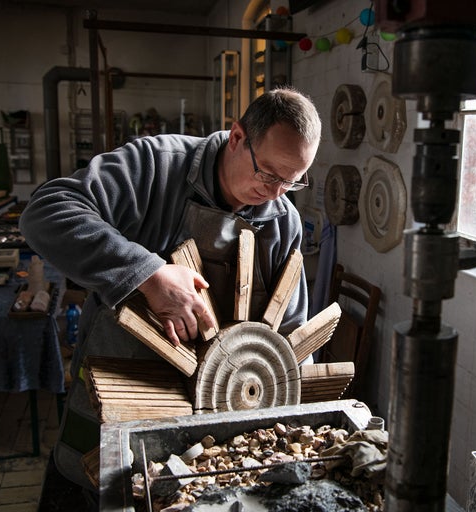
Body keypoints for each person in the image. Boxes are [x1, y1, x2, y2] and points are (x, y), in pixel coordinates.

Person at [19, 87, 321, 496]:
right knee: (92, 487)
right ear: (236, 137)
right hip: (118, 384)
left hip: (219, 413)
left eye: (292, 182)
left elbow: (291, 334)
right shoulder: (157, 166)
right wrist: (149, 274)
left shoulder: (283, 221)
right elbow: (45, 212)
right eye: (268, 174)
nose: (274, 193)